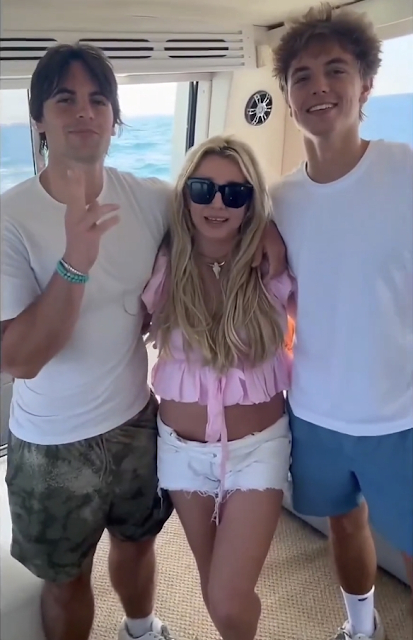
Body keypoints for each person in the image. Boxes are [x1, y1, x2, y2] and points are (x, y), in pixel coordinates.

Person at [0, 42, 286, 640]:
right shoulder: (11, 218)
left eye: (98, 100)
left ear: (115, 119)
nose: (84, 111)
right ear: (39, 120)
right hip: (52, 440)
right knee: (66, 581)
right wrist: (75, 262)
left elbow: (216, 211)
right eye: (65, 99)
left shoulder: (152, 200)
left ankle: (142, 629)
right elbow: (17, 359)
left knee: (138, 547)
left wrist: (268, 229)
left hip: (136, 422)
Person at [270, 4, 413, 640]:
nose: (318, 87)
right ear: (287, 96)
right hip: (314, 410)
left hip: (400, 415)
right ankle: (362, 629)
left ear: (366, 85)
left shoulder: (405, 171)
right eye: (301, 76)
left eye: (336, 70)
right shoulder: (279, 201)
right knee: (343, 525)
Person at [141, 134, 294, 640]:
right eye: (203, 189)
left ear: (252, 203)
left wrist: (270, 228)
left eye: (235, 193)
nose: (217, 203)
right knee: (214, 591)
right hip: (181, 454)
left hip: (258, 451)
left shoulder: (273, 263)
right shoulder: (163, 265)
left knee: (228, 596)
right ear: (185, 193)